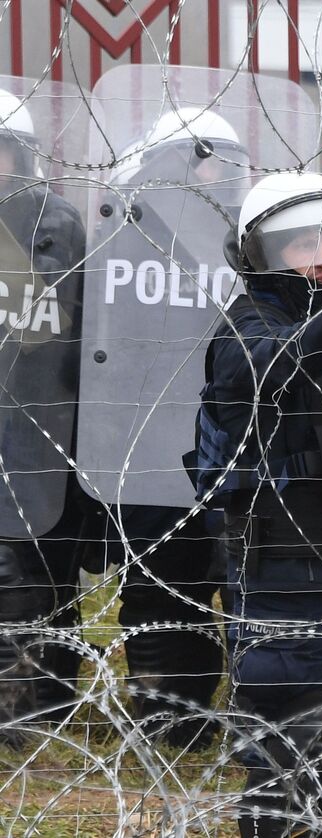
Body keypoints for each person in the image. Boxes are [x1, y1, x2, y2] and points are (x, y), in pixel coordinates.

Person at [196, 171, 322, 837]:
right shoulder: (247, 327)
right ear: (264, 256)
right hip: (281, 572)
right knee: (286, 746)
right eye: (301, 246)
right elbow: (266, 366)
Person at [104, 107, 248, 748]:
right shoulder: (125, 237)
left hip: (234, 434)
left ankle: (260, 714)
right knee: (162, 584)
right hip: (149, 436)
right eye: (196, 158)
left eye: (220, 160)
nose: (209, 173)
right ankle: (172, 720)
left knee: (242, 581)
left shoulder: (251, 236)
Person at [0, 87, 94, 737]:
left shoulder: (50, 223)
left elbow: (48, 324)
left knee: (41, 565)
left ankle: (38, 701)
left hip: (41, 418)